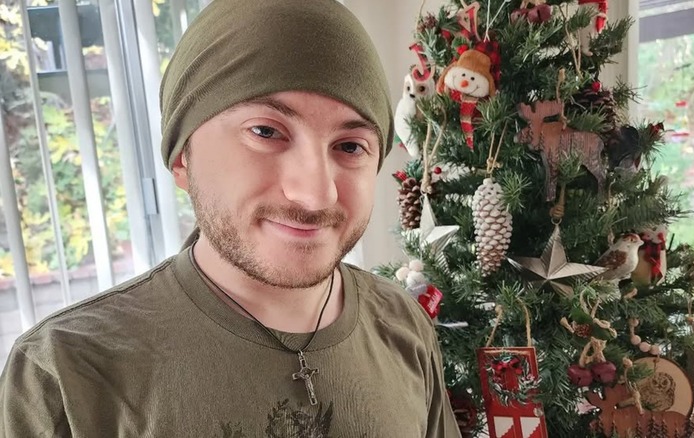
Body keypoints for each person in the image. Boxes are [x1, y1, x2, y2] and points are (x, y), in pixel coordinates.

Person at [0, 0, 461, 436]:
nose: (316, 193)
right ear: (183, 158)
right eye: (266, 131)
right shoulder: (66, 373)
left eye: (349, 146)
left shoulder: (401, 323)